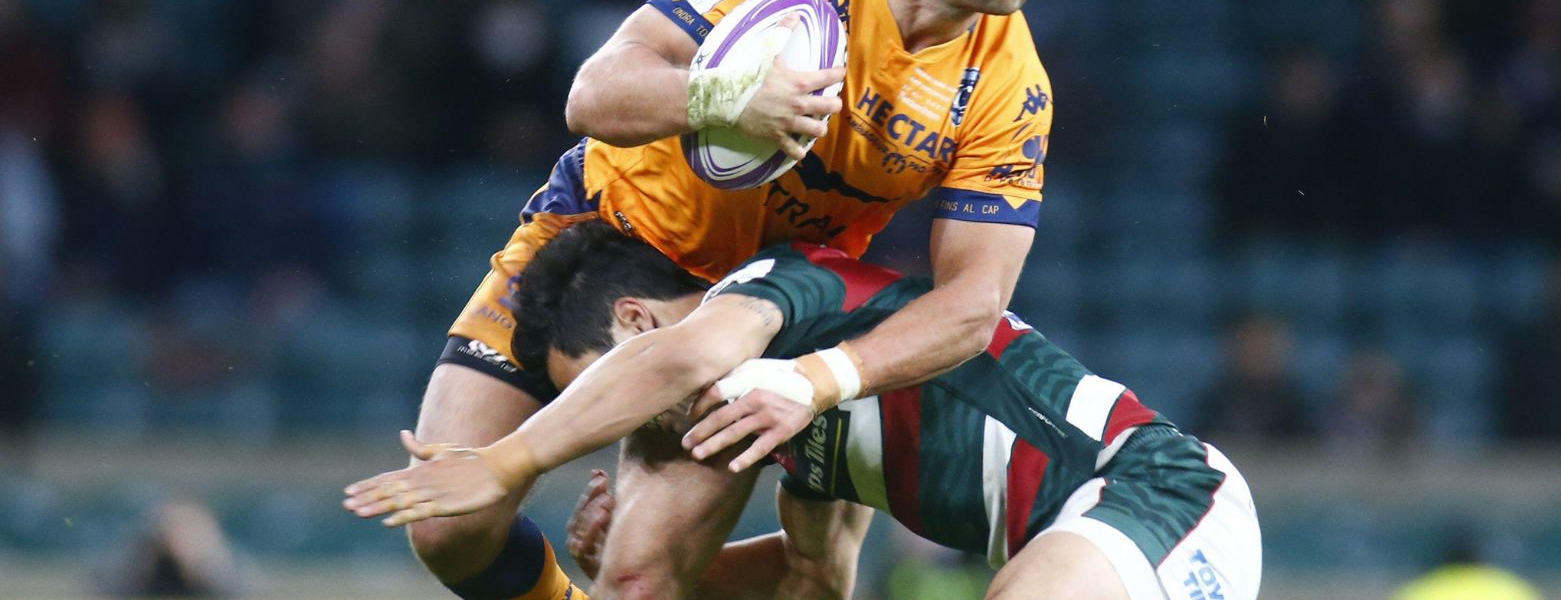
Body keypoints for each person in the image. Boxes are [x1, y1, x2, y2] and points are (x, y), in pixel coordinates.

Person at [407, 0, 1071, 599]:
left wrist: (821, 377)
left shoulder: (1010, 86)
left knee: (643, 582)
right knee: (448, 529)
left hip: (739, 310)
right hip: (595, 239)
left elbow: (974, 304)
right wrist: (724, 98)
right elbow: (592, 93)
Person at [347, 221, 1262, 599]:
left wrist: (509, 462)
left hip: (1157, 493)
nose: (641, 426)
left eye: (609, 391)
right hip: (1106, 537)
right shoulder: (792, 442)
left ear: (637, 319)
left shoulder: (774, 292)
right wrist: (679, 572)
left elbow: (691, 353)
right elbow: (815, 579)